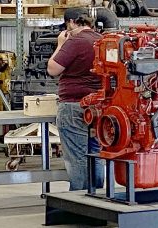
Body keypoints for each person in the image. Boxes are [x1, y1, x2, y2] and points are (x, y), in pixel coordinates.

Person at [47, 7, 104, 191]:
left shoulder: (74, 41)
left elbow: (53, 69)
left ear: (71, 22)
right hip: (98, 107)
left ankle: (79, 203)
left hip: (73, 107)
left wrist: (60, 44)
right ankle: (98, 200)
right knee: (95, 153)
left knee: (77, 157)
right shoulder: (101, 39)